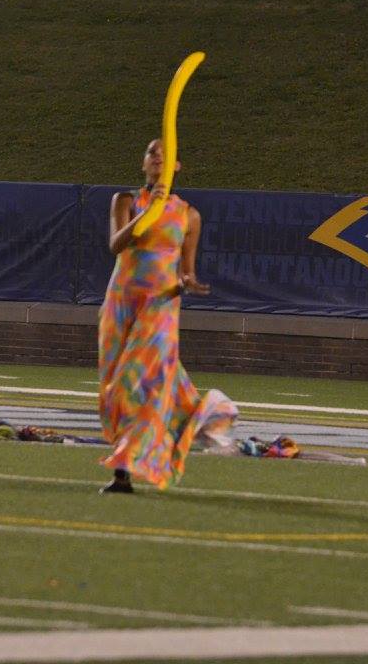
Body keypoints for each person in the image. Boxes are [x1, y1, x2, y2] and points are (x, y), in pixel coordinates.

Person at [97, 140, 238, 494]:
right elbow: (116, 245)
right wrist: (149, 210)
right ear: (143, 164)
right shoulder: (126, 200)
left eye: (164, 153)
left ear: (177, 166)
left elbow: (186, 270)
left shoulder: (189, 215)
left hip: (160, 306)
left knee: (134, 381)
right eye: (151, 153)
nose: (157, 157)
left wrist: (188, 282)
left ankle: (126, 466)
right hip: (121, 303)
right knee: (115, 388)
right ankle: (124, 473)